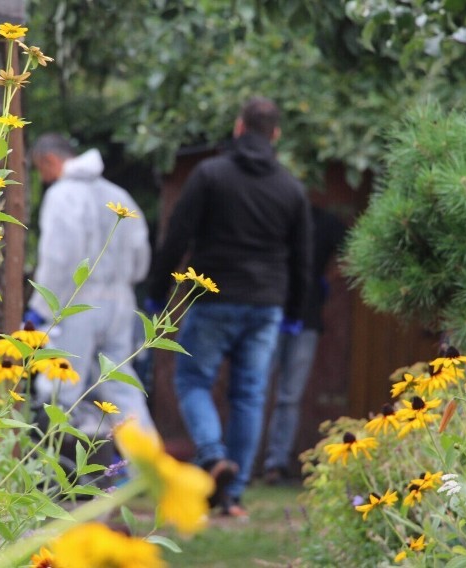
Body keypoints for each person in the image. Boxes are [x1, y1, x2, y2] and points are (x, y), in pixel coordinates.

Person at [146, 97, 312, 517]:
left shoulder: (210, 175)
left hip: (213, 298)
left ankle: (212, 454)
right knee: (249, 396)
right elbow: (303, 258)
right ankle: (233, 494)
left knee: (193, 381)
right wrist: (294, 314)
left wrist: (157, 291)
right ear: (275, 134)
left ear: (239, 128)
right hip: (266, 305)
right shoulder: (290, 188)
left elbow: (176, 235)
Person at [26, 133, 155, 436]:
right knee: (121, 387)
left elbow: (59, 258)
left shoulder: (62, 195)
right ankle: (143, 467)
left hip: (77, 304)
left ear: (50, 161)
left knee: (61, 388)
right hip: (121, 303)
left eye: (39, 169)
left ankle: (57, 473)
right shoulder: (119, 194)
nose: (41, 178)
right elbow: (141, 256)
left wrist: (41, 309)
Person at [262, 205, 346, 484]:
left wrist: (324, 281)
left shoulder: (325, 221)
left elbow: (350, 254)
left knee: (288, 396)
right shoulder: (273, 215)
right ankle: (244, 462)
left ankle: (276, 463)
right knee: (257, 391)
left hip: (305, 318)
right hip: (270, 314)